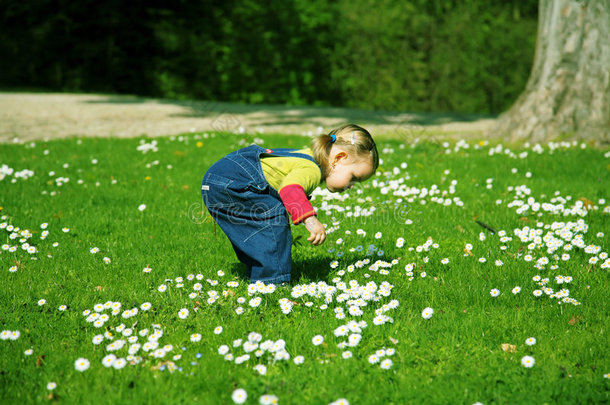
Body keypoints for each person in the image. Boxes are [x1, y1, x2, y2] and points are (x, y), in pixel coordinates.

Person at [201, 124, 379, 285]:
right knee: (273, 221)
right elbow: (289, 189)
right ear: (339, 158)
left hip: (219, 180)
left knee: (257, 232)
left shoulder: (305, 155)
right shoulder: (312, 169)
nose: (351, 186)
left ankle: (258, 275)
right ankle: (272, 284)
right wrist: (310, 220)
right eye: (353, 177)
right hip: (234, 183)